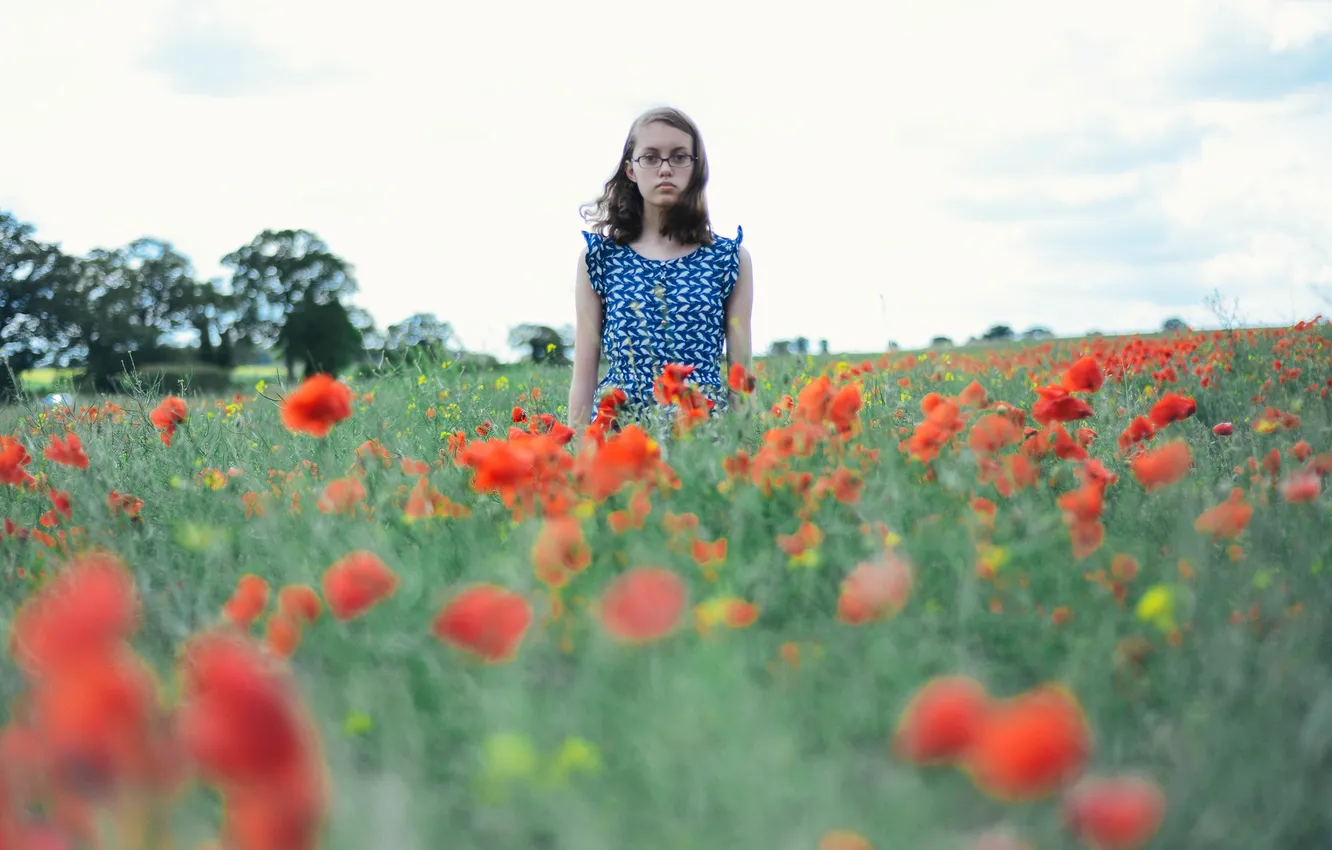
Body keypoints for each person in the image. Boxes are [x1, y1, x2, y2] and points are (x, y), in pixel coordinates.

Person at [567, 106, 753, 435]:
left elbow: (741, 379)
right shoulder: (599, 259)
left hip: (702, 447)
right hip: (618, 441)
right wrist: (579, 462)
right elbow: (584, 376)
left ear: (696, 168)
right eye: (651, 157)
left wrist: (746, 453)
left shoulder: (729, 259)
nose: (665, 168)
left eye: (679, 156)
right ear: (631, 170)